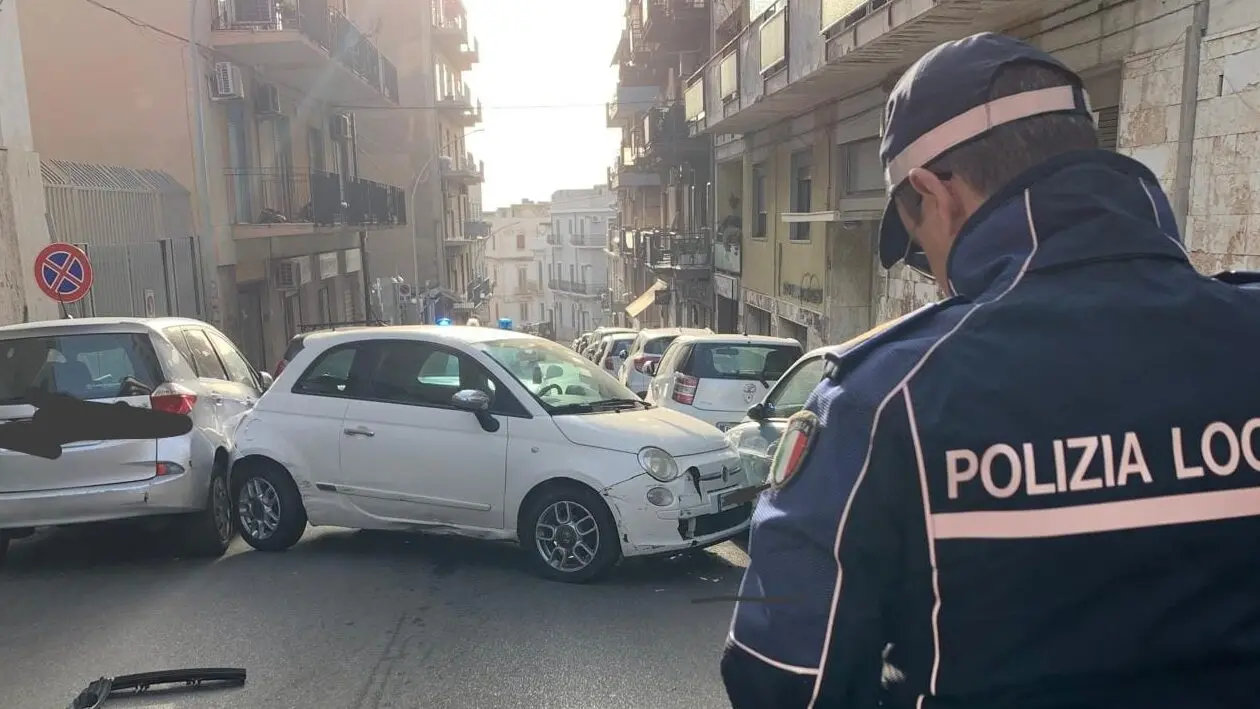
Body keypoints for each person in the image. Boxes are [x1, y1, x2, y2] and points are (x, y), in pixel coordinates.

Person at [721, 31, 1260, 709]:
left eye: (922, 252)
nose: (939, 279)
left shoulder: (883, 400)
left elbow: (779, 674)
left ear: (933, 193)